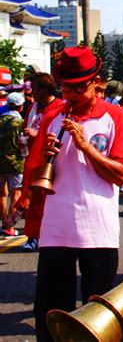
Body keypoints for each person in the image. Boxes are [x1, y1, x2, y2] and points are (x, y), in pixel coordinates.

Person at [28, 47, 123, 342]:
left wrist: (86, 146)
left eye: (80, 87)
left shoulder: (114, 116)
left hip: (97, 231)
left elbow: (122, 174)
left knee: (100, 315)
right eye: (67, 87)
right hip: (56, 230)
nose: (72, 94)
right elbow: (36, 172)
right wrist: (45, 155)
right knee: (49, 313)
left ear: (96, 82)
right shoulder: (53, 117)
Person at [16, 72, 64, 251]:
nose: (30, 93)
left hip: (51, 162)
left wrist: (39, 135)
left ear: (44, 89)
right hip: (32, 161)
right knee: (33, 202)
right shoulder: (32, 108)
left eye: (34, 88)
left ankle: (53, 236)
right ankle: (33, 236)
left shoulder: (59, 106)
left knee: (52, 203)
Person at [0, 92, 25, 237]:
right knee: (16, 193)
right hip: (15, 163)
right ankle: (9, 226)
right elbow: (22, 144)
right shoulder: (19, 123)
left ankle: (3, 222)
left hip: (0, 162)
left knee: (2, 194)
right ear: (20, 106)